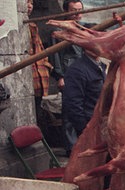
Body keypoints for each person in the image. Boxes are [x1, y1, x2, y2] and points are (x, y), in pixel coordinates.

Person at [51, 0, 87, 156]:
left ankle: (83, 143)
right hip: (68, 73)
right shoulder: (58, 31)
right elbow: (54, 55)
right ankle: (71, 147)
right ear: (66, 11)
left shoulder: (82, 28)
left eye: (80, 10)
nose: (77, 13)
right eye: (74, 10)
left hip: (83, 73)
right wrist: (59, 76)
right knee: (69, 110)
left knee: (84, 108)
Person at [62, 51, 106, 143]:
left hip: (102, 126)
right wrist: (85, 130)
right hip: (90, 128)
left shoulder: (101, 66)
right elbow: (72, 105)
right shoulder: (77, 70)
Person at [27, 0, 53, 120]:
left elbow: (41, 51)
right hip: (28, 79)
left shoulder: (32, 26)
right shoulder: (24, 28)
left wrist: (46, 66)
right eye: (26, 2)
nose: (29, 6)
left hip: (39, 78)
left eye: (31, 3)